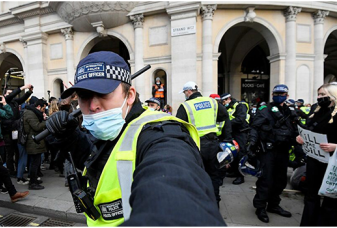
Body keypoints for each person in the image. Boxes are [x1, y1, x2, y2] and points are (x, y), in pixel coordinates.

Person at [45, 51, 225, 226]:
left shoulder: (162, 134)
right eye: (84, 96)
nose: (93, 106)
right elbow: (99, 159)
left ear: (129, 95)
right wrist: (71, 137)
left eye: (102, 94)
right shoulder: (115, 128)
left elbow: (176, 188)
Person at [297, 82, 337, 226]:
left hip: (332, 163)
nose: (319, 97)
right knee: (311, 196)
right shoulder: (317, 111)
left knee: (330, 199)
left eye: (323, 95)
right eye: (319, 94)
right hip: (314, 161)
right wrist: (302, 138)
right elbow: (309, 130)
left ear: (334, 96)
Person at [176, 81, 233, 208]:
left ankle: (200, 204)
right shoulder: (212, 102)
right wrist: (227, 140)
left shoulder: (186, 106)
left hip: (196, 147)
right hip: (213, 145)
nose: (185, 95)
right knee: (214, 175)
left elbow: (180, 128)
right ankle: (215, 204)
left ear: (189, 91)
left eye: (185, 92)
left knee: (197, 175)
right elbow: (225, 118)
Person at [248, 84, 299, 223]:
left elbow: (295, 129)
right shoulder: (265, 110)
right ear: (272, 94)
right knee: (266, 180)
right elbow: (255, 127)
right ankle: (260, 207)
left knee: (280, 180)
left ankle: (274, 205)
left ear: (287, 95)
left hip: (283, 151)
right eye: (276, 93)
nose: (279, 95)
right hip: (268, 151)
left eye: (282, 93)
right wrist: (251, 144)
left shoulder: (289, 111)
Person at [2, 84, 34, 176]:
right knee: (10, 152)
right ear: (4, 95)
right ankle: (10, 170)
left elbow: (22, 99)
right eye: (8, 93)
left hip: (16, 129)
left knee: (17, 151)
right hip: (7, 131)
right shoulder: (5, 102)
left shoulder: (14, 102)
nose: (11, 94)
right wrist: (22, 88)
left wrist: (29, 92)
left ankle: (18, 170)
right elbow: (11, 96)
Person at [220, 93, 249, 185]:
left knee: (241, 154)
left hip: (241, 132)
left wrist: (227, 123)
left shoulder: (241, 105)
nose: (223, 103)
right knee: (233, 152)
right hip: (232, 132)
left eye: (224, 101)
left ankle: (241, 176)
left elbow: (240, 119)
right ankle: (233, 171)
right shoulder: (228, 108)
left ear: (229, 99)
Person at [24, 99, 47, 190]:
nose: (43, 111)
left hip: (34, 141)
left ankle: (34, 180)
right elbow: (36, 127)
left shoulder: (32, 113)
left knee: (35, 162)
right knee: (34, 163)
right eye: (43, 109)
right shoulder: (30, 114)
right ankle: (32, 182)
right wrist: (45, 121)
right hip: (33, 141)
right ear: (38, 107)